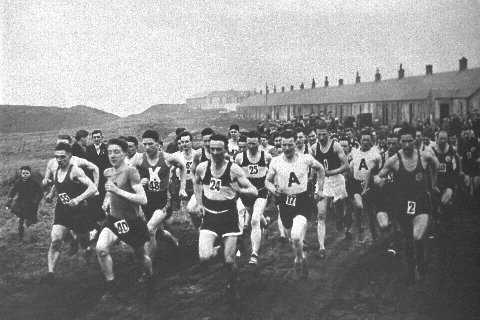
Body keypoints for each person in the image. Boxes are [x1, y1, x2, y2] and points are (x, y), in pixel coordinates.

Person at [193, 133, 257, 299]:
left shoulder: (233, 168)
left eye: (219, 149)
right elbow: (196, 182)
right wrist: (199, 203)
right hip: (210, 218)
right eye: (211, 149)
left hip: (229, 217)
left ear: (225, 150)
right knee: (204, 258)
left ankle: (232, 282)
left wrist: (239, 190)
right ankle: (220, 247)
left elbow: (253, 190)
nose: (215, 152)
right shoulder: (202, 167)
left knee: (229, 261)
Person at [375, 126, 439, 284]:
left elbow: (435, 164)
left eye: (410, 141)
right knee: (408, 238)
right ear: (399, 142)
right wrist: (380, 181)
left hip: (421, 200)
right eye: (403, 141)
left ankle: (421, 260)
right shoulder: (394, 160)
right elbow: (378, 176)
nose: (407, 144)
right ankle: (411, 267)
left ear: (415, 140)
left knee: (417, 236)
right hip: (402, 203)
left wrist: (433, 183)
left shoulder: (424, 156)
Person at [96, 138, 151, 300]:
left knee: (140, 257)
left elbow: (143, 199)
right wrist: (106, 203)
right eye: (109, 152)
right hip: (114, 220)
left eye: (116, 152)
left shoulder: (131, 171)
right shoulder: (108, 172)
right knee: (101, 249)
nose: (112, 155)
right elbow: (109, 191)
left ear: (125, 153)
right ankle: (111, 286)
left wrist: (117, 191)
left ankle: (149, 276)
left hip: (133, 222)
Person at [265, 130, 325, 277]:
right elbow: (267, 181)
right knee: (292, 236)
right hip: (285, 201)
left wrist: (320, 190)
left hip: (302, 200)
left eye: (290, 144)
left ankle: (298, 258)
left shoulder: (305, 159)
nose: (286, 148)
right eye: (283, 144)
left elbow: (321, 169)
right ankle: (302, 254)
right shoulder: (276, 161)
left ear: (295, 143)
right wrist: (273, 189)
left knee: (296, 235)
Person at [130, 130, 187, 274]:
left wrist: (182, 188)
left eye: (150, 144)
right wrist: (138, 181)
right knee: (158, 232)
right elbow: (130, 175)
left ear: (158, 144)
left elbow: (183, 166)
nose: (147, 147)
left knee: (149, 229)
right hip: (147, 202)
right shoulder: (138, 159)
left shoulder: (167, 158)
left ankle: (148, 268)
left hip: (163, 201)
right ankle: (174, 241)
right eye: (145, 144)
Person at [44, 143, 97, 283]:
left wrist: (78, 199)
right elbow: (57, 183)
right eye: (57, 157)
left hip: (79, 212)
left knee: (84, 242)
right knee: (55, 240)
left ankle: (90, 240)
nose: (59, 160)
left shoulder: (76, 171)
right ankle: (51, 273)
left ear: (70, 157)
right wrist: (51, 194)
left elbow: (92, 187)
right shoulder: (56, 168)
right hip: (62, 211)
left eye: (63, 157)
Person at [234, 130, 272, 265]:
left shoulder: (266, 157)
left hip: (261, 192)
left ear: (259, 143)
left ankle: (254, 254)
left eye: (254, 144)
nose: (251, 146)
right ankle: (266, 223)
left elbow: (273, 172)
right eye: (249, 143)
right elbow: (234, 175)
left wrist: (272, 185)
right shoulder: (239, 158)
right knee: (254, 214)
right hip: (246, 194)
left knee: (254, 220)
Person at [311, 124, 349, 257]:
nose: (321, 137)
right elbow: (313, 166)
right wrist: (312, 178)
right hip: (323, 181)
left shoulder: (335, 145)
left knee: (340, 210)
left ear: (329, 133)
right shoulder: (314, 148)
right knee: (321, 214)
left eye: (324, 134)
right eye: (319, 135)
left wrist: (332, 172)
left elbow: (346, 165)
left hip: (337, 179)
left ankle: (340, 219)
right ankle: (321, 247)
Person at [349, 129, 382, 243]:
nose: (366, 142)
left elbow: (377, 170)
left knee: (371, 210)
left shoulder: (375, 154)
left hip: (370, 184)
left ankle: (373, 231)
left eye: (368, 140)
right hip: (357, 183)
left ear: (371, 141)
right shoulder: (354, 152)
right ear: (360, 140)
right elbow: (351, 166)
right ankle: (361, 228)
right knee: (358, 206)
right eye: (363, 139)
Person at [6, 166, 43, 241]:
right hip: (21, 202)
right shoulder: (18, 182)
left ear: (30, 173)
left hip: (31, 203)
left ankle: (29, 221)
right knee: (21, 218)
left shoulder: (34, 183)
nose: (25, 174)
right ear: (21, 174)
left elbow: (40, 193)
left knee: (30, 218)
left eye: (27, 173)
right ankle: (20, 234)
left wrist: (37, 200)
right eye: (23, 173)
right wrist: (10, 198)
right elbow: (13, 190)